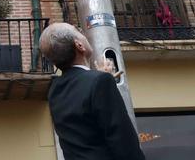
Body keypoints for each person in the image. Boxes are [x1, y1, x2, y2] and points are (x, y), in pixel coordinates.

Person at [39, 22, 144, 160]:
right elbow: (123, 142)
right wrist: (102, 80)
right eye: (79, 32)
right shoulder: (99, 82)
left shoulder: (55, 91)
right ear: (79, 46)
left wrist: (100, 78)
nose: (84, 34)